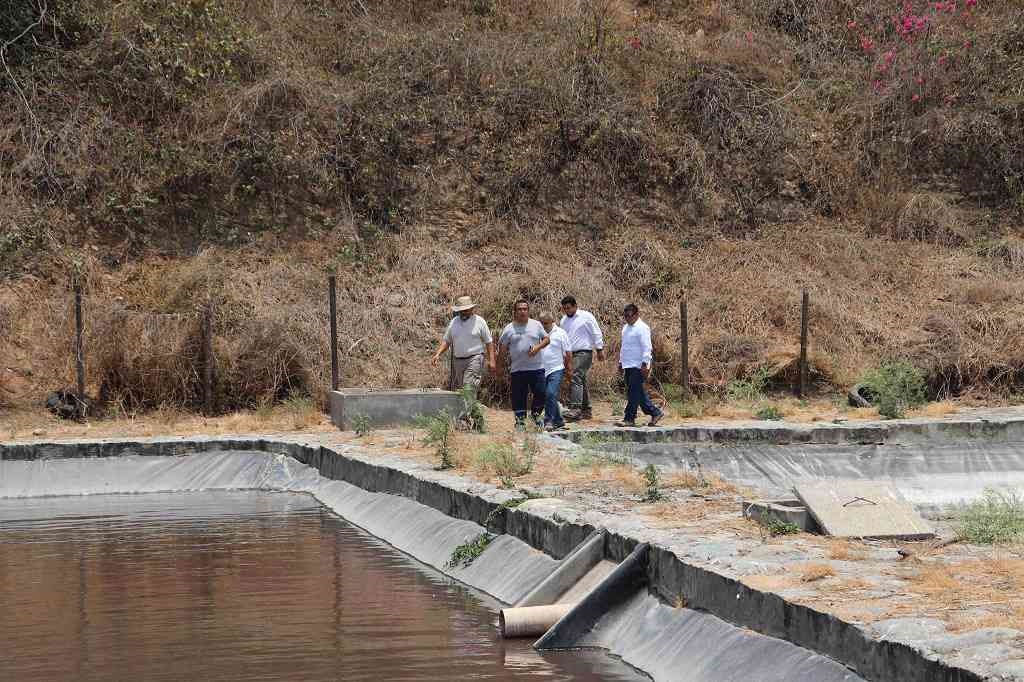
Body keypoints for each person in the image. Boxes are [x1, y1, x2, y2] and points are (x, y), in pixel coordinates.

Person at [498, 300, 550, 429]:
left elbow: (547, 339)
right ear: (514, 312)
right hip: (518, 369)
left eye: (525, 309)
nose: (522, 311)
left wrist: (537, 348)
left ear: (528, 310)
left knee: (541, 393)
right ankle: (520, 422)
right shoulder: (509, 328)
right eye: (519, 309)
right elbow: (502, 348)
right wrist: (499, 367)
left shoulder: (536, 325)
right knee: (518, 396)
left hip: (537, 368)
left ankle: (536, 417)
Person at [431, 296, 496, 397]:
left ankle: (468, 412)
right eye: (461, 310)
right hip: (458, 361)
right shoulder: (454, 322)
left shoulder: (480, 321)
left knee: (468, 386)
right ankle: (471, 410)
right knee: (463, 389)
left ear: (471, 309)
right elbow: (447, 340)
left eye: (466, 310)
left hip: (475, 359)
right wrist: (438, 354)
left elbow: (489, 342)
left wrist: (492, 361)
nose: (463, 312)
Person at [616, 303, 663, 428]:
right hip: (628, 364)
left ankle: (629, 418)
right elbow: (624, 347)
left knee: (633, 392)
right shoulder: (625, 328)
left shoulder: (642, 328)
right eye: (625, 316)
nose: (627, 318)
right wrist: (620, 362)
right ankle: (655, 412)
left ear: (637, 314)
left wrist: (645, 364)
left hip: (639, 364)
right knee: (637, 392)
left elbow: (647, 347)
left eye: (630, 316)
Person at [559, 295, 604, 422]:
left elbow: (596, 332)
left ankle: (575, 408)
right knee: (581, 379)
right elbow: (562, 338)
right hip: (570, 354)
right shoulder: (563, 321)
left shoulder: (586, 316)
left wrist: (599, 349)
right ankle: (586, 410)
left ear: (575, 306)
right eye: (564, 308)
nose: (567, 311)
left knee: (575, 376)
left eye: (569, 308)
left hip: (584, 352)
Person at [538, 311, 573, 432]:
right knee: (547, 395)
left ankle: (548, 421)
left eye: (546, 323)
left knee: (551, 393)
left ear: (552, 321)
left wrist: (569, 369)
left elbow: (568, 353)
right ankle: (558, 420)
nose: (544, 326)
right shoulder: (538, 333)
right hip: (542, 369)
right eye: (541, 323)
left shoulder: (561, 333)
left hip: (556, 368)